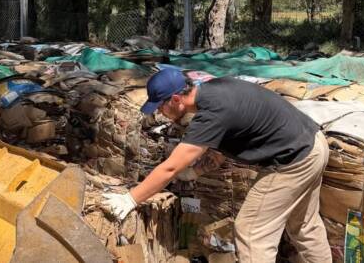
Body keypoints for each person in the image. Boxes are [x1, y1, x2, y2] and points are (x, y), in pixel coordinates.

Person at [102, 68, 331, 263]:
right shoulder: (214, 90)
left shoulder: (211, 115)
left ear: (175, 100)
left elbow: (170, 168)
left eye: (160, 107)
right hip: (314, 144)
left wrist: (130, 198)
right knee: (304, 224)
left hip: (293, 161)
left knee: (251, 232)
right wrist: (195, 171)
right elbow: (225, 144)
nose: (160, 113)